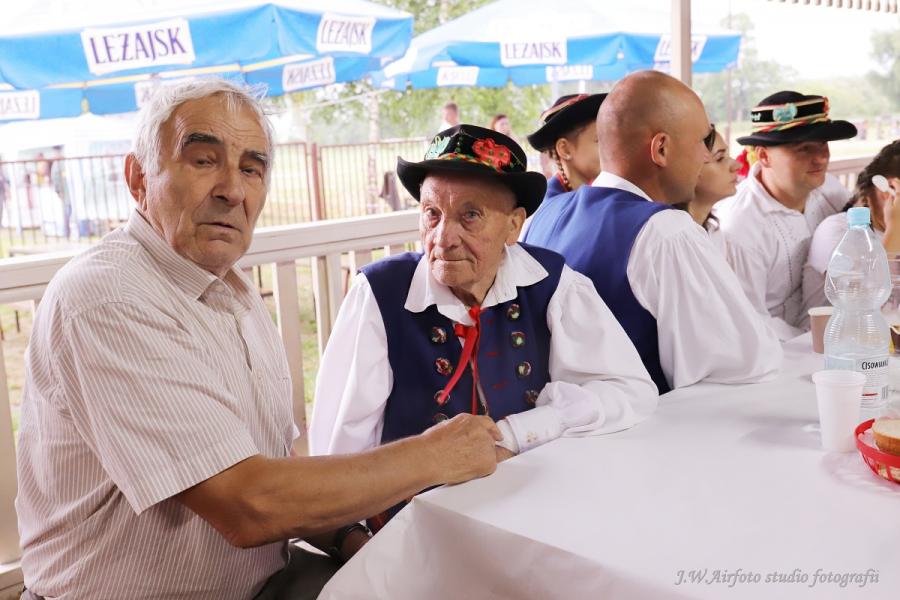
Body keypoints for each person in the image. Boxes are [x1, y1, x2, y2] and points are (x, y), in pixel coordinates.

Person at [15, 79, 502, 600]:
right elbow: (248, 506)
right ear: (139, 178)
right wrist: (435, 456)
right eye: (203, 160)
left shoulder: (230, 288)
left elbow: (275, 464)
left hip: (265, 578)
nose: (233, 190)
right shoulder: (109, 298)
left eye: (251, 169)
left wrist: (349, 539)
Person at [309, 124, 658, 529]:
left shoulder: (552, 283)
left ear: (514, 226)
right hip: (413, 532)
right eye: (432, 214)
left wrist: (516, 433)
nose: (443, 238)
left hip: (536, 516)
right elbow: (339, 451)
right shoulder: (379, 294)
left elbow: (628, 389)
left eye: (470, 216)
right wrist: (351, 538)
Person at [522, 70, 782, 393]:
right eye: (702, 142)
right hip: (648, 421)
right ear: (660, 149)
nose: (705, 156)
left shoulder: (541, 218)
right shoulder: (666, 232)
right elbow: (745, 362)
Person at [715, 91, 857, 338]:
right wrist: (812, 342)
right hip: (778, 349)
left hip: (836, 333)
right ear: (763, 156)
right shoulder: (740, 227)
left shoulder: (829, 190)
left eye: (823, 145)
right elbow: (749, 321)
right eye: (804, 149)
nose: (821, 158)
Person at [804, 139, 900, 311]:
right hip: (832, 328)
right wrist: (895, 230)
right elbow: (859, 302)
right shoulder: (837, 231)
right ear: (890, 190)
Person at [527, 94, 605, 198]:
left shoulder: (598, 190)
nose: (609, 149)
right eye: (599, 141)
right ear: (565, 149)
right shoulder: (551, 203)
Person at [674, 129, 740, 253]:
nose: (737, 165)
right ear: (689, 168)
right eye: (720, 158)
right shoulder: (671, 241)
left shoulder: (714, 233)